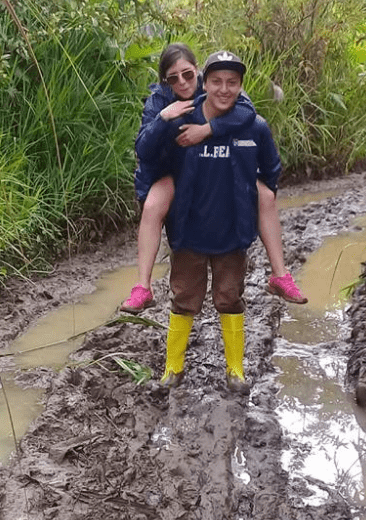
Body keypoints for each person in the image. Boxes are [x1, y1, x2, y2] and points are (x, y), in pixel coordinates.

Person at [121, 43, 306, 314]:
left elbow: (247, 113)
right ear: (165, 81)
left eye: (187, 74)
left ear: (198, 73)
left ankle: (280, 274)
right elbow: (144, 149)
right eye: (173, 78)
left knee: (265, 195)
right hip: (171, 170)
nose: (182, 82)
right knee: (152, 207)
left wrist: (208, 129)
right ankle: (143, 287)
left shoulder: (220, 86)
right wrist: (163, 118)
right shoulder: (160, 101)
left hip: (213, 167)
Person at [140, 50, 280, 393]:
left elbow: (271, 168)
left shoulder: (250, 122)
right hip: (189, 229)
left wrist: (256, 194)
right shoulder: (178, 121)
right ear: (208, 80)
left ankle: (236, 370)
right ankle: (172, 369)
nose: (224, 88)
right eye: (217, 81)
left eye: (232, 82)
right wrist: (162, 122)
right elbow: (148, 153)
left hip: (233, 231)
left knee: (230, 297)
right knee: (184, 297)